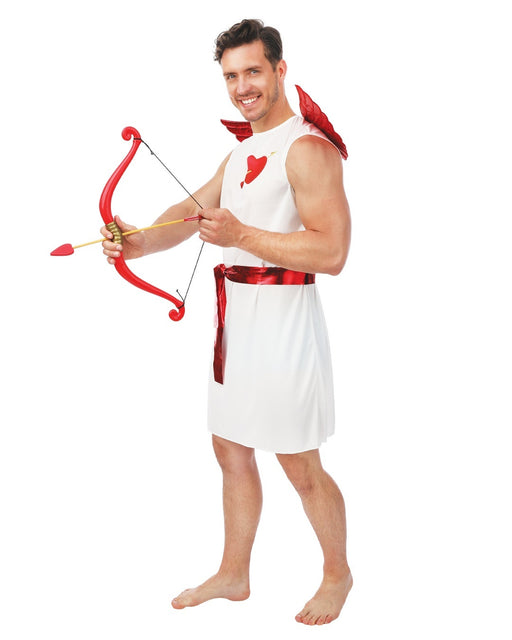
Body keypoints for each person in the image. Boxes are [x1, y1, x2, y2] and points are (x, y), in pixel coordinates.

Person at [101, 19, 352, 626]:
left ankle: (337, 574)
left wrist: (241, 235)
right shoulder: (241, 150)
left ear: (280, 70)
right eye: (232, 76)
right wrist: (138, 242)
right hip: (236, 324)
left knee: (298, 462)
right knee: (231, 447)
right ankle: (234, 573)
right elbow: (192, 210)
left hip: (286, 325)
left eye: (253, 71)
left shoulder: (308, 149)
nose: (243, 86)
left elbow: (332, 251)